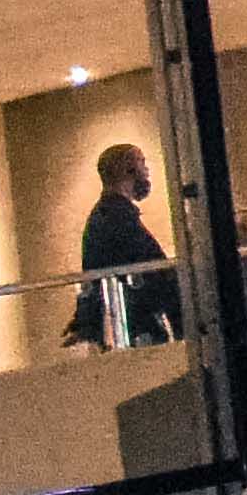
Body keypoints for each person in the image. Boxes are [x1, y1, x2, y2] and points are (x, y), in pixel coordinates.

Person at [66, 148, 171, 355]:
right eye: (142, 162)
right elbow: (152, 273)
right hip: (135, 330)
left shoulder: (108, 216)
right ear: (128, 169)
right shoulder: (116, 219)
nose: (147, 170)